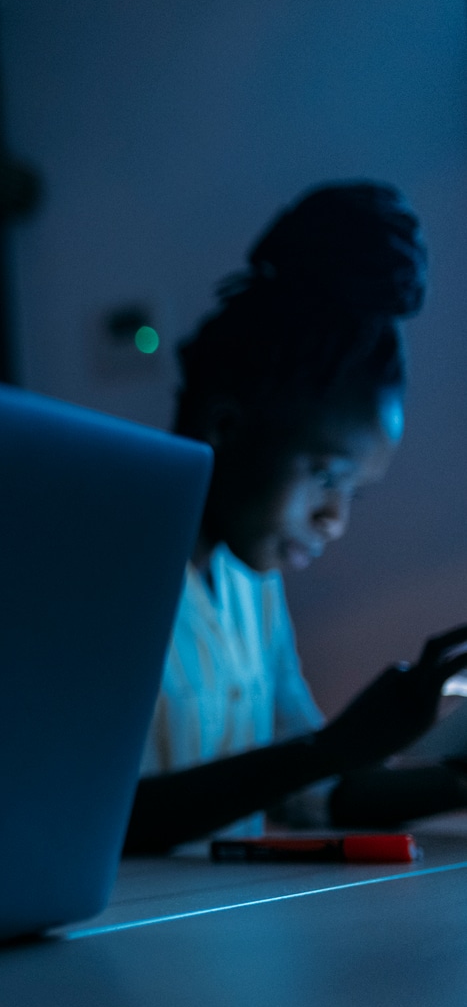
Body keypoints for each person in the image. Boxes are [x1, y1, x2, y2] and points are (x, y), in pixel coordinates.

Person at [124, 182, 467, 854]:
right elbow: (107, 817)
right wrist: (332, 746)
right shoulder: (106, 576)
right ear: (225, 425)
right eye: (325, 477)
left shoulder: (252, 585)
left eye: (354, 494)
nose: (335, 517)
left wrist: (454, 778)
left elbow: (308, 788)